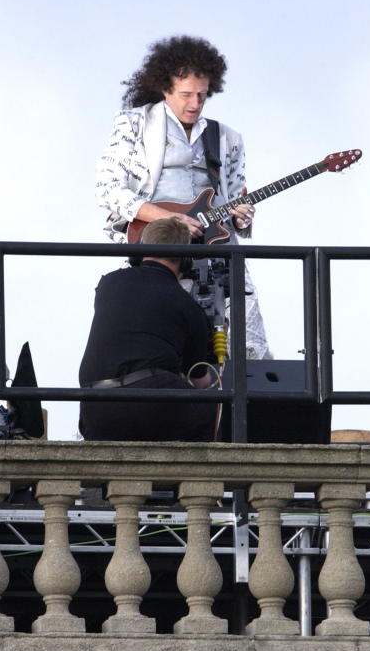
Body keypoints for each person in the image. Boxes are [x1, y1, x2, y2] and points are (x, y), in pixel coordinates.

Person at [95, 35, 273, 360]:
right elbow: (108, 191)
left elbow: (234, 200)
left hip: (217, 250)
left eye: (202, 96)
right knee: (165, 336)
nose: (194, 104)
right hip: (159, 246)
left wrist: (242, 216)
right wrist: (169, 219)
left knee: (249, 341)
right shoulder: (133, 124)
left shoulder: (228, 138)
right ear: (165, 89)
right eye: (186, 95)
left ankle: (253, 398)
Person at [78, 219, 220, 442]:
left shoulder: (108, 283)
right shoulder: (188, 306)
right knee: (221, 410)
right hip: (151, 406)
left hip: (95, 411)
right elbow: (199, 379)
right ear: (185, 262)